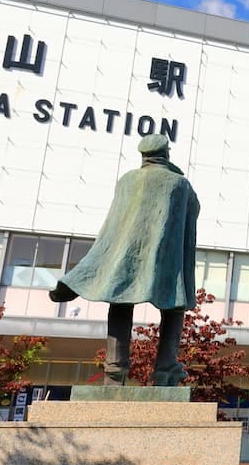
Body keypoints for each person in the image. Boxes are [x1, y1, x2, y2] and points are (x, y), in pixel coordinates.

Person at [49, 133, 200, 386]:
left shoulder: (127, 180)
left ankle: (114, 369)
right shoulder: (179, 183)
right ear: (166, 153)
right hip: (165, 256)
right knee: (174, 305)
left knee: (120, 300)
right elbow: (192, 210)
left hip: (126, 253)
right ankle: (166, 367)